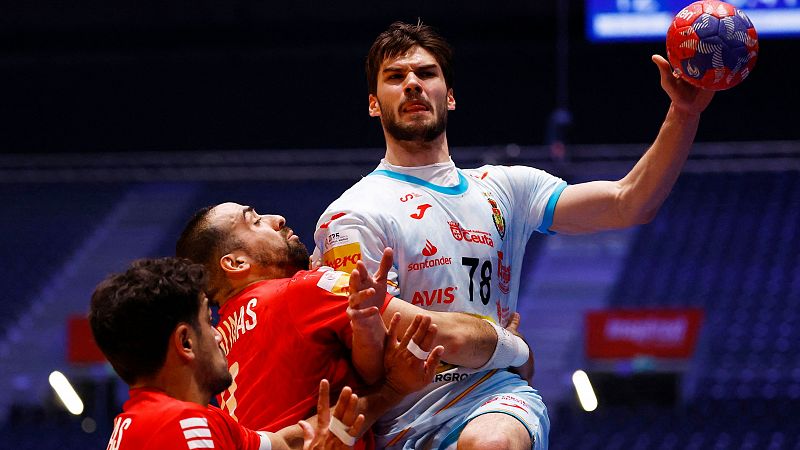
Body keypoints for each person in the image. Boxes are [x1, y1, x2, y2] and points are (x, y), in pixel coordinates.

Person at [312, 21, 715, 450]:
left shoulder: (505, 187)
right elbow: (394, 329)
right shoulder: (352, 214)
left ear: (449, 96)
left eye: (426, 74)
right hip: (399, 421)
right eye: (395, 77)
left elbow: (628, 202)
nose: (412, 84)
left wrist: (684, 113)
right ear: (375, 104)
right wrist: (512, 348)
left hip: (493, 397)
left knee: (492, 443)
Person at [175, 202, 532, 443]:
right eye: (254, 221)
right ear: (235, 264)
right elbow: (442, 336)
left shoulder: (216, 346)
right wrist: (517, 350)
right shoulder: (301, 290)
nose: (276, 219)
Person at [88, 257, 364, 450]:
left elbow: (284, 444)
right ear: (185, 342)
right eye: (208, 322)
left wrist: (390, 390)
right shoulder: (183, 423)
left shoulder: (164, 420)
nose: (219, 334)